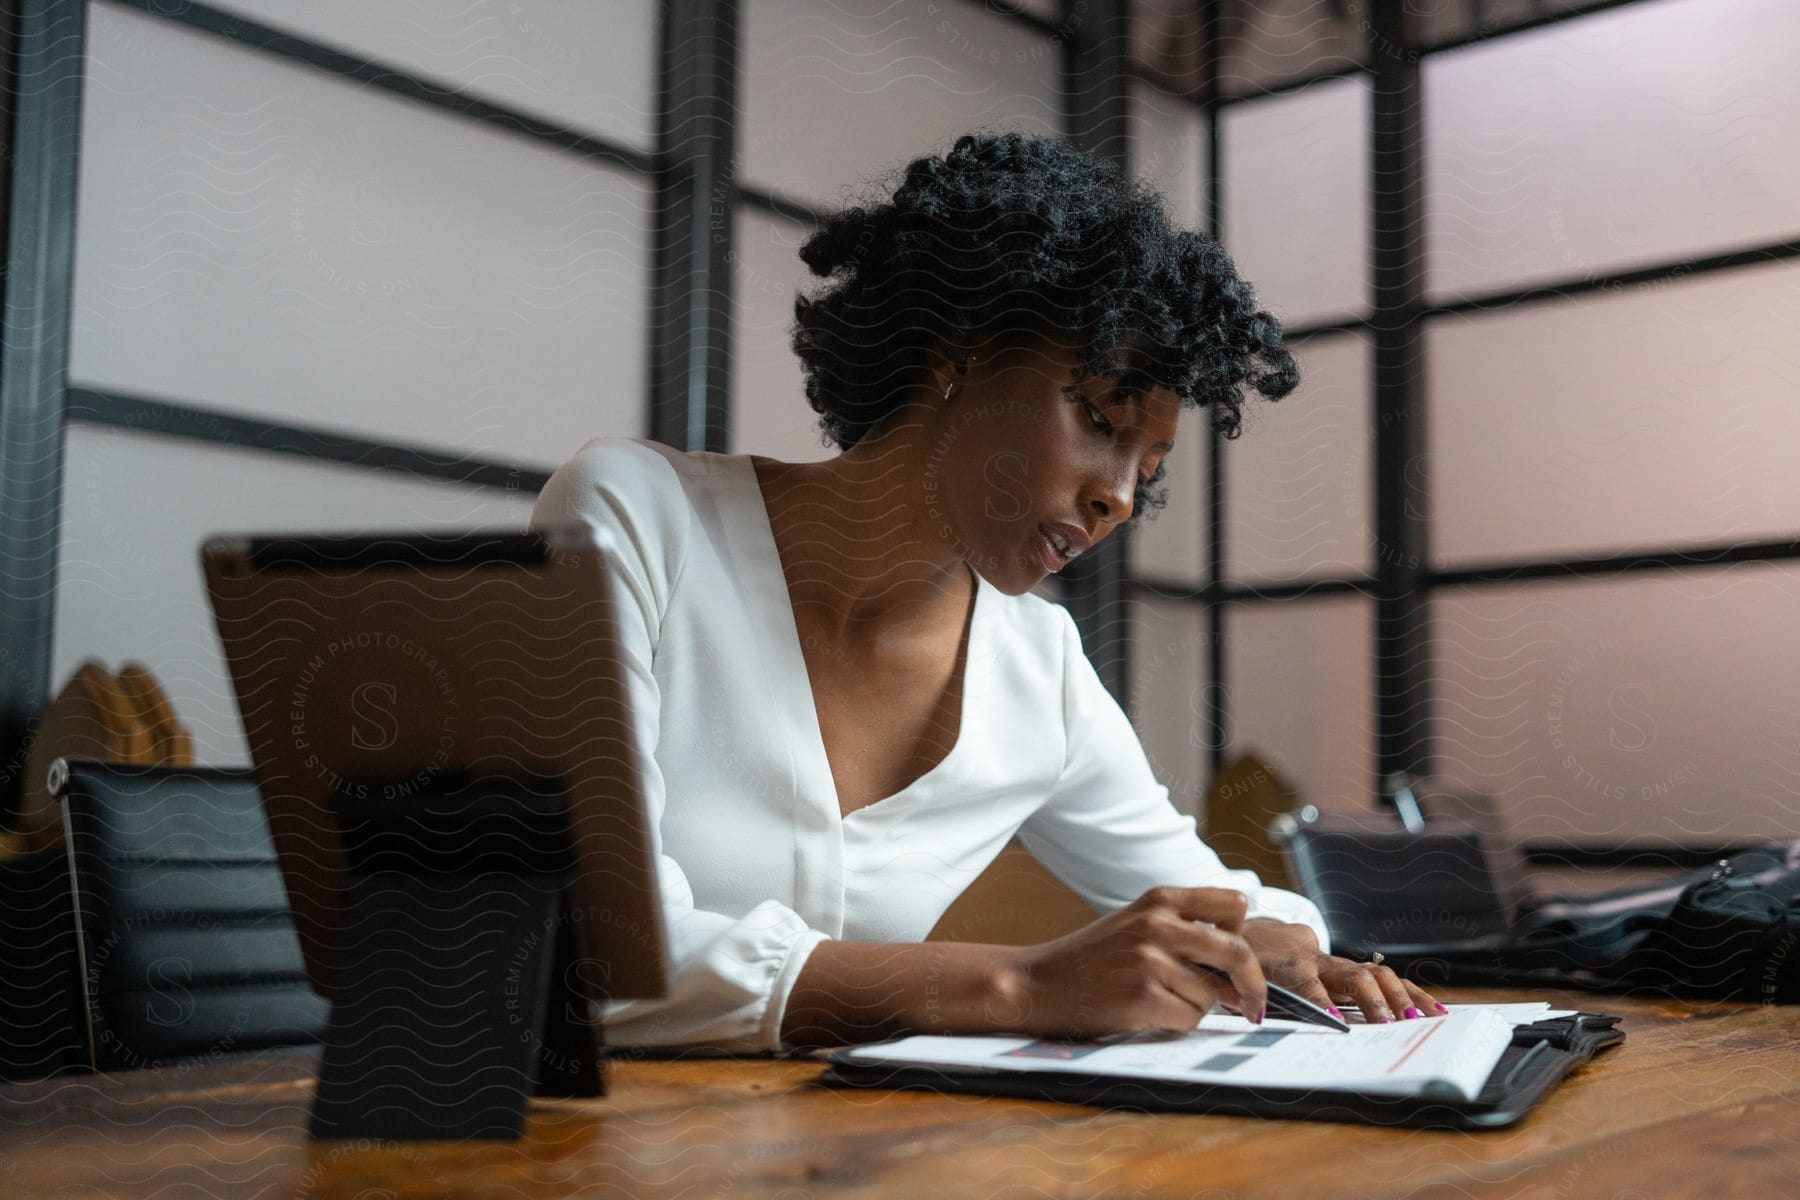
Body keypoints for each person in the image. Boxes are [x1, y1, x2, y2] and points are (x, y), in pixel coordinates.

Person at [532, 130, 1447, 1052]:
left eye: (1150, 466)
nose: (1119, 497)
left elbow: (1223, 898)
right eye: (1099, 419)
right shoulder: (636, 518)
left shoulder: (1034, 664)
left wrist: (1276, 944)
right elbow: (601, 955)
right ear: (959, 352)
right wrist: (1019, 983)